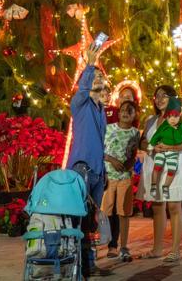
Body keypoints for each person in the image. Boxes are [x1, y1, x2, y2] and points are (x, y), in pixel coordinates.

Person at [66, 40, 111, 276]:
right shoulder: (80, 105)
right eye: (95, 80)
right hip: (81, 169)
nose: (99, 83)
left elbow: (101, 145)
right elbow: (83, 89)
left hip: (96, 172)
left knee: (91, 221)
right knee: (79, 219)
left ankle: (89, 263)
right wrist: (90, 65)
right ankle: (79, 265)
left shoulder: (100, 110)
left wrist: (103, 173)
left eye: (101, 81)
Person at [139, 84, 182, 264]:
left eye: (164, 95)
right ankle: (157, 249)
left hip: (173, 165)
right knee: (157, 206)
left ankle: (175, 250)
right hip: (154, 165)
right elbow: (143, 142)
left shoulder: (179, 116)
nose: (160, 99)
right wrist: (150, 147)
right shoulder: (150, 120)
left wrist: (170, 147)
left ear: (173, 99)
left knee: (174, 206)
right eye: (157, 96)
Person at [101, 99, 140, 261]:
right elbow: (100, 150)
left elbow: (133, 154)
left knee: (123, 213)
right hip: (108, 177)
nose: (125, 113)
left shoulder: (135, 133)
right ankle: (111, 245)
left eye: (129, 111)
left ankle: (124, 246)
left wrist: (128, 164)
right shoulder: (109, 128)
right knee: (107, 212)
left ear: (135, 115)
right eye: (123, 110)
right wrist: (111, 160)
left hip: (124, 178)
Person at [147, 97, 182, 201]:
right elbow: (155, 136)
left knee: (172, 169)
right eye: (170, 117)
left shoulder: (181, 127)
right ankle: (153, 185)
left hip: (173, 153)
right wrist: (151, 147)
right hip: (161, 151)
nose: (172, 119)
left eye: (175, 116)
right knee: (157, 166)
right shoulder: (163, 126)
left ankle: (166, 186)